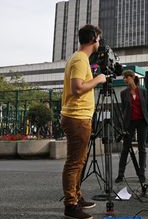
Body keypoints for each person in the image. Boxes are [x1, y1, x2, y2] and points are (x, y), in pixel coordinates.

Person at [60, 24, 106, 219]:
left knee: (79, 162)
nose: (99, 42)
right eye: (99, 38)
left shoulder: (78, 58)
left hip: (80, 117)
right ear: (94, 38)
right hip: (77, 117)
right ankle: (71, 205)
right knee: (74, 162)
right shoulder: (80, 59)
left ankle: (76, 198)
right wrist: (99, 79)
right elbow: (77, 88)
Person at [115, 69, 148, 183]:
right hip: (129, 123)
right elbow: (124, 109)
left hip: (142, 122)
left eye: (126, 77)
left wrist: (147, 119)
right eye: (124, 78)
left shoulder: (143, 91)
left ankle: (142, 173)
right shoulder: (123, 93)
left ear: (132, 77)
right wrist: (122, 124)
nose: (124, 79)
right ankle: (120, 174)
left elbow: (145, 107)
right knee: (125, 148)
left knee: (142, 148)